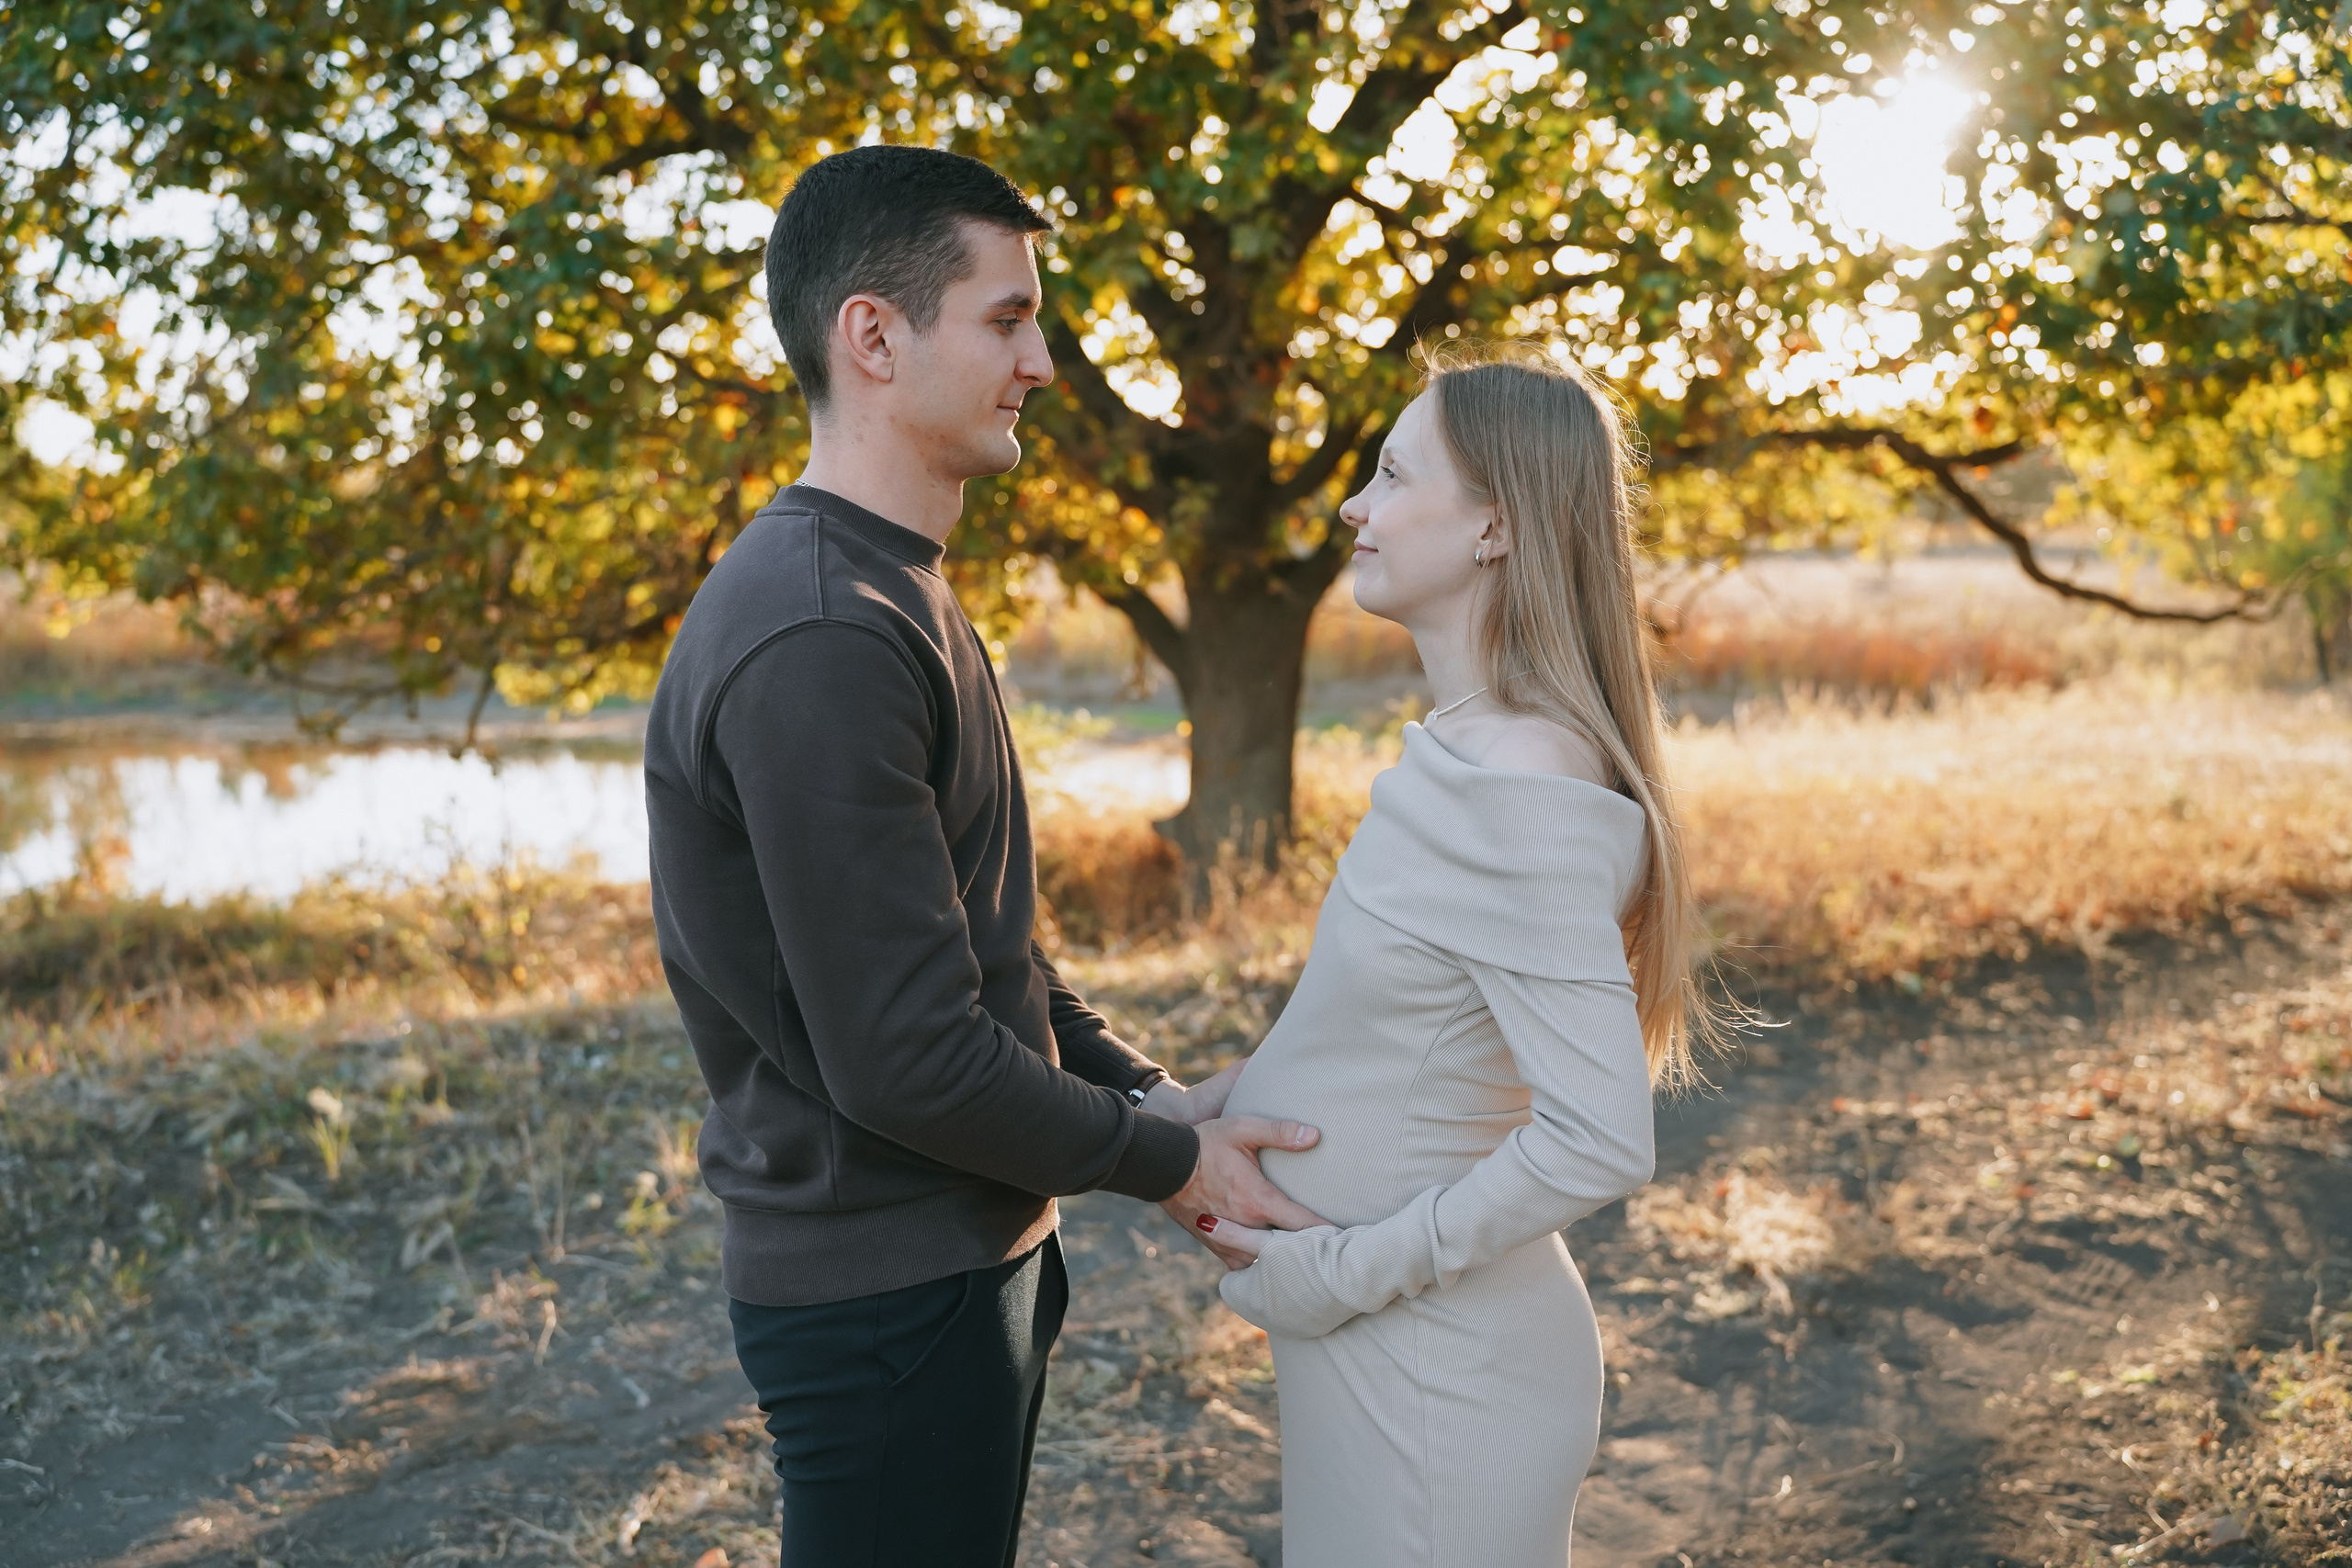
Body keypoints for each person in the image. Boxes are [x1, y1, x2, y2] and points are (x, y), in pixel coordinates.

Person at [642, 145, 1326, 1568]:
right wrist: (1167, 1163)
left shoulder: (886, 584)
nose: (1045, 362)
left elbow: (964, 944)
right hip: (883, 1294)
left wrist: (1145, 1089)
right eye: (1008, 319)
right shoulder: (824, 629)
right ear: (874, 336)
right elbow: (907, 1056)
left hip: (958, 1260)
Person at [1202, 341, 1712, 1566]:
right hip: (1388, 1348)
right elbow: (1397, 1023)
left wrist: (1343, 1272)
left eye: (1389, 476)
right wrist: (1211, 1104)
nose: (1352, 507)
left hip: (1437, 1367)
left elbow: (1600, 1136)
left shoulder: (1519, 780)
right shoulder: (1471, 753)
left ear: (1494, 525)